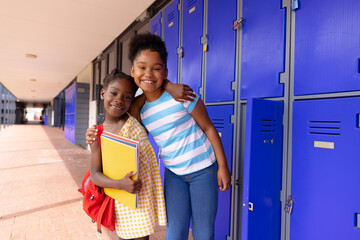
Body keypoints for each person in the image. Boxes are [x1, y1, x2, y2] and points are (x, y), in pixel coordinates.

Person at [128, 33, 231, 240]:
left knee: (203, 233)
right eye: (142, 67)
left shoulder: (183, 95)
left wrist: (223, 167)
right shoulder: (139, 109)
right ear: (132, 70)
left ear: (165, 72)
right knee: (174, 233)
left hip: (204, 169)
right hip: (174, 174)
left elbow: (209, 128)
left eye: (156, 68)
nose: (149, 73)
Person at [89, 70, 167, 240]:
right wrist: (119, 184)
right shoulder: (97, 134)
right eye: (114, 93)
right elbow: (95, 175)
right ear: (103, 93)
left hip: (141, 200)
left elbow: (150, 89)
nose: (119, 100)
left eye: (127, 97)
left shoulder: (134, 118)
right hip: (120, 200)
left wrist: (170, 86)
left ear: (132, 100)